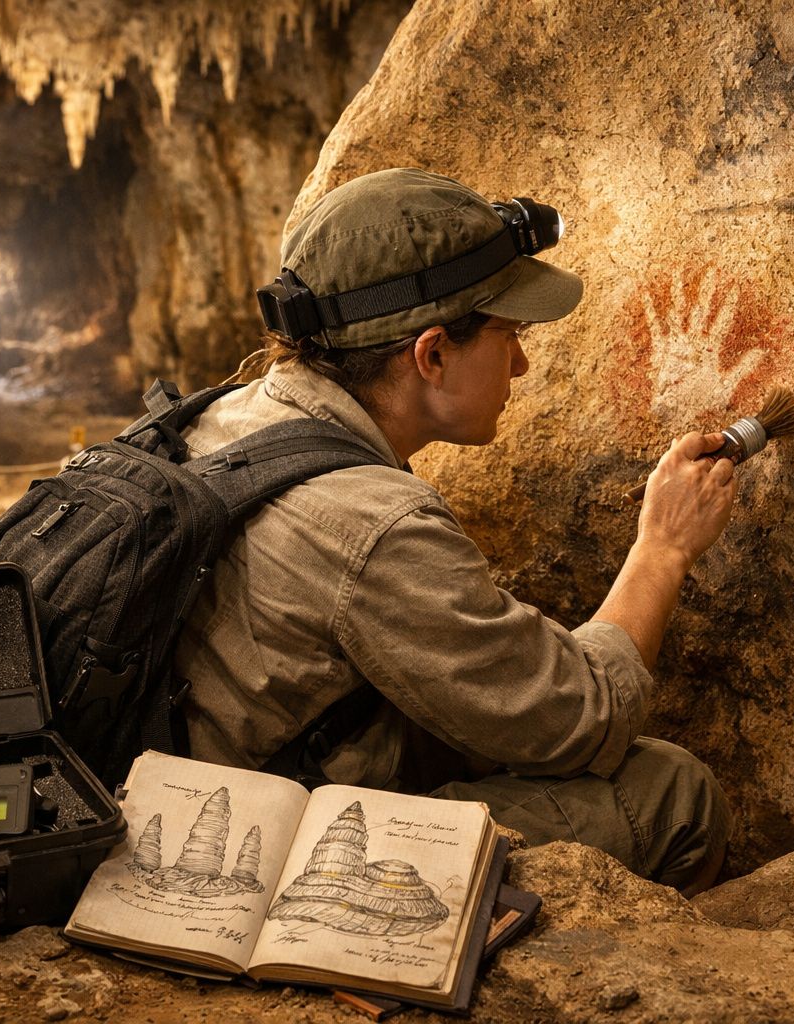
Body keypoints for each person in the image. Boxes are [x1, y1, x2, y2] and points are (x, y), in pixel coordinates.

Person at [174, 168, 738, 896]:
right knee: (673, 795)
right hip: (241, 861)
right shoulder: (372, 525)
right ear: (432, 354)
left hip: (178, 789)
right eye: (509, 334)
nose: (522, 364)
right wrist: (664, 548)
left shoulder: (212, 418)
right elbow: (583, 717)